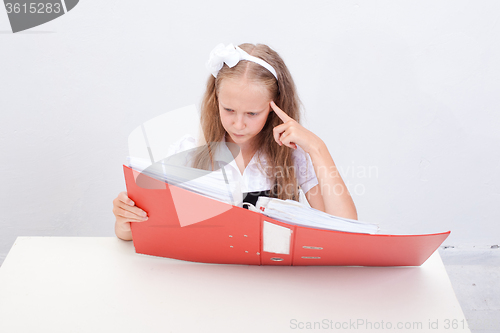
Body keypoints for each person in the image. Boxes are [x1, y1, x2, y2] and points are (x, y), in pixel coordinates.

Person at [113, 43, 357, 241]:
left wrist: (317, 148)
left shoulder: (293, 157)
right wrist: (125, 221)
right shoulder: (188, 152)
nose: (238, 124)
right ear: (215, 100)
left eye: (252, 114)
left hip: (271, 284)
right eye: (229, 109)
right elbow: (135, 232)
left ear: (274, 109)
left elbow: (347, 228)